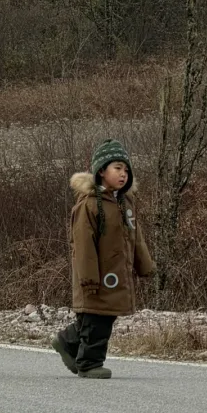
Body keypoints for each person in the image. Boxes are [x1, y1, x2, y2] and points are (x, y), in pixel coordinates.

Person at [51, 138, 156, 379]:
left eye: (126, 169)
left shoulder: (124, 203)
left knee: (102, 318)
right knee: (96, 319)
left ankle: (67, 342)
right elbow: (83, 245)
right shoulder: (89, 206)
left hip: (116, 274)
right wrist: (88, 278)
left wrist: (145, 266)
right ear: (101, 171)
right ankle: (89, 363)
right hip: (96, 276)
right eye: (117, 168)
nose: (123, 174)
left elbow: (135, 237)